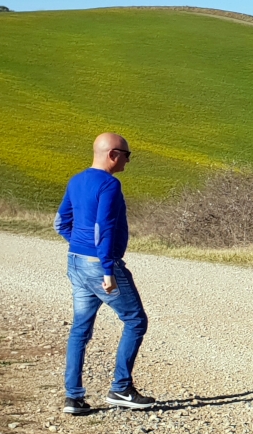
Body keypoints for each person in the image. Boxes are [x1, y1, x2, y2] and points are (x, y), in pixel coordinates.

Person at [54, 132, 153, 415]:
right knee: (136, 320)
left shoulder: (76, 180)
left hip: (76, 260)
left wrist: (79, 245)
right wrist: (107, 270)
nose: (128, 161)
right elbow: (104, 228)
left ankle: (73, 397)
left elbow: (61, 222)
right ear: (113, 154)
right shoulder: (110, 184)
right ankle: (121, 388)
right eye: (127, 155)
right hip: (101, 265)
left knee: (80, 329)